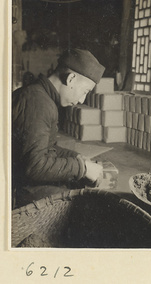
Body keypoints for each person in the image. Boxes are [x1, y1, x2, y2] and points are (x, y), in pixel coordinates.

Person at [12, 48, 105, 208]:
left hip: (23, 176)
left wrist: (78, 158)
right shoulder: (37, 102)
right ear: (71, 79)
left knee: (77, 179)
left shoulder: (42, 96)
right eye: (85, 91)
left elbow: (47, 148)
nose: (82, 100)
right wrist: (82, 168)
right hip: (14, 189)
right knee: (82, 204)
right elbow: (34, 166)